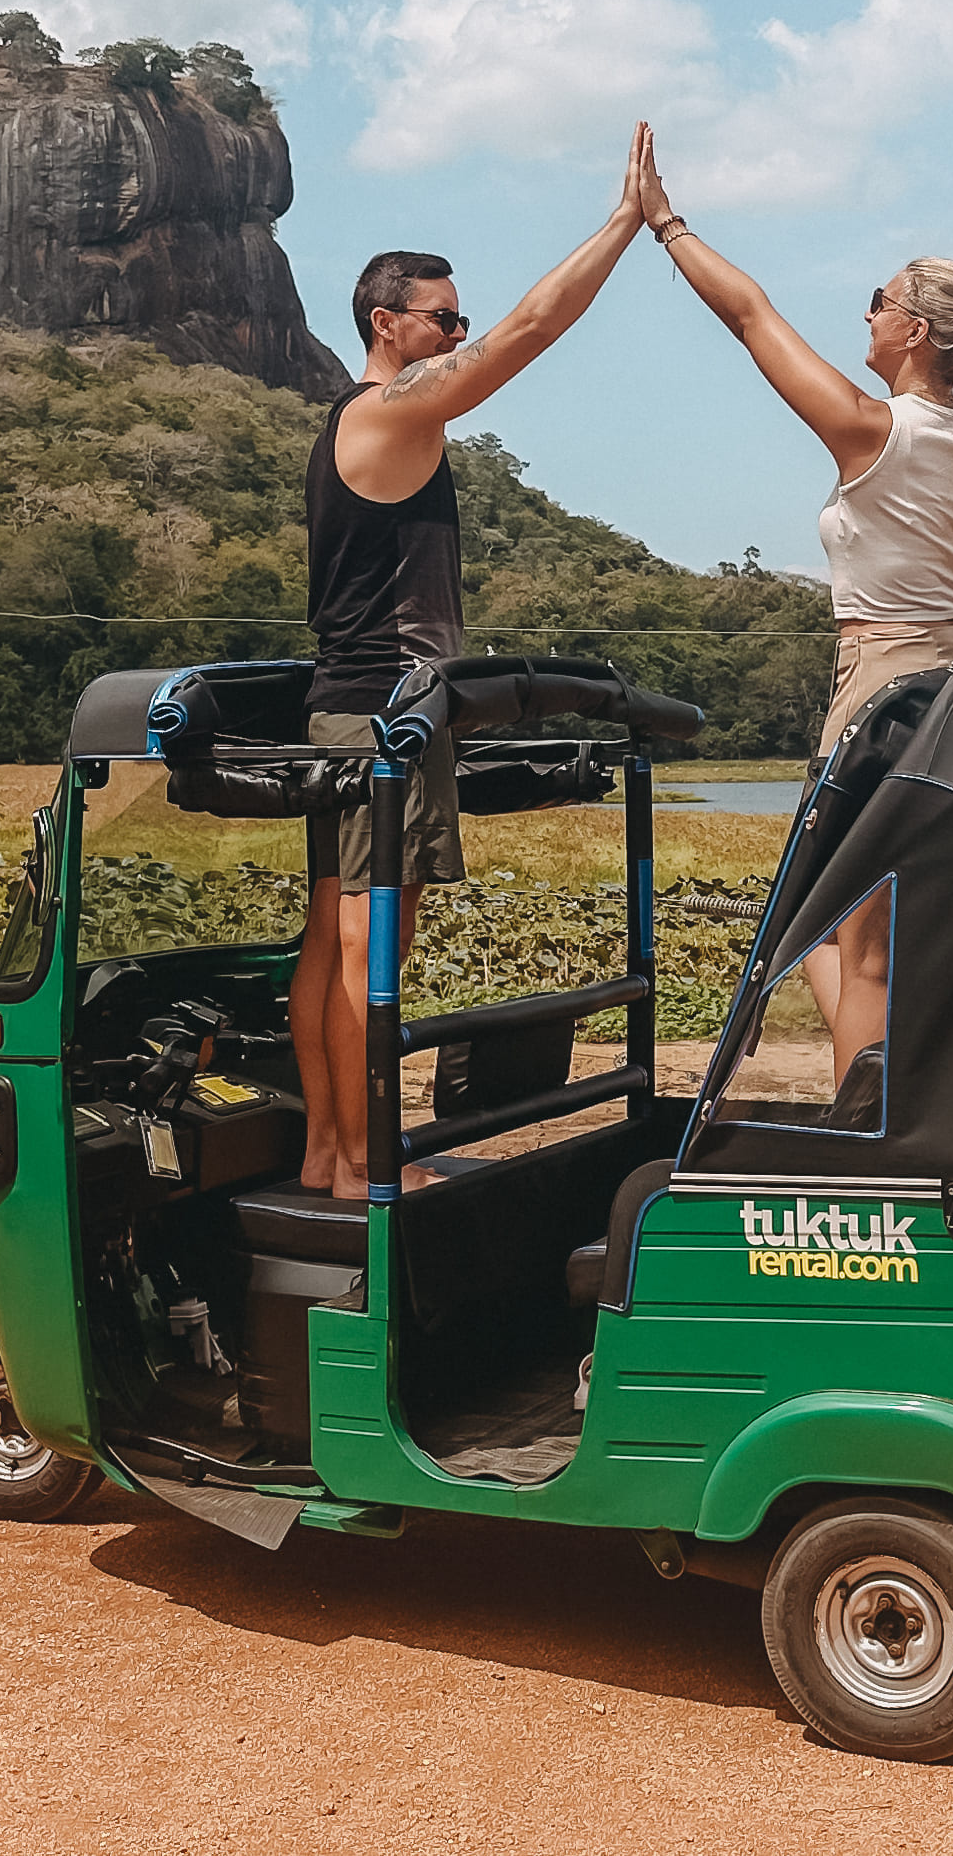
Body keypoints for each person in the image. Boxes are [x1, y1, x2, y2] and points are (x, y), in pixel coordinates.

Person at [629, 122, 953, 1106]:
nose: (868, 311)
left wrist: (665, 223)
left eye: (881, 300)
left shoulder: (874, 430)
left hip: (879, 693)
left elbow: (753, 318)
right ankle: (892, 1100)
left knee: (861, 947)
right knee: (867, 931)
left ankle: (871, 1131)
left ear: (917, 332)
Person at [292, 144, 651, 1197]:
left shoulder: (356, 425)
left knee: (329, 933)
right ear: (385, 326)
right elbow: (531, 331)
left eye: (458, 318)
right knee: (366, 945)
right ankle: (359, 1164)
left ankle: (327, 1154)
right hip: (381, 722)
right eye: (443, 319)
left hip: (344, 714)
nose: (457, 333)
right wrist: (627, 223)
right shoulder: (387, 412)